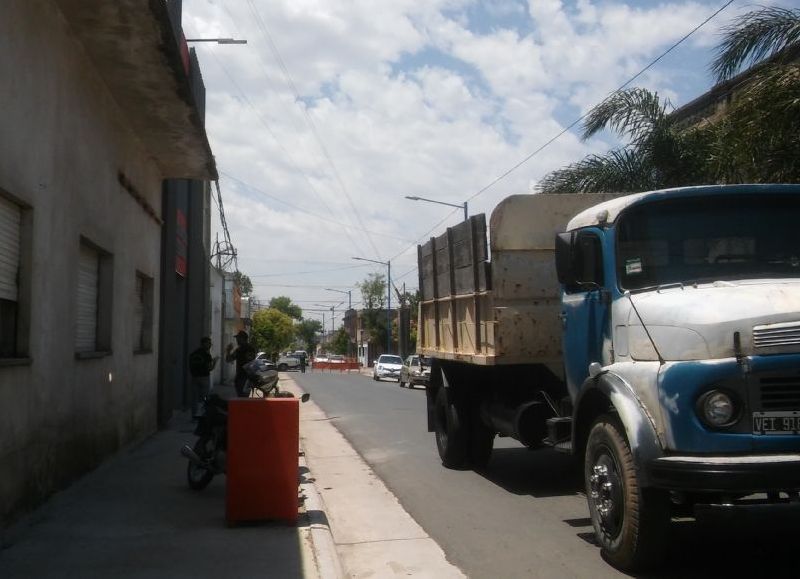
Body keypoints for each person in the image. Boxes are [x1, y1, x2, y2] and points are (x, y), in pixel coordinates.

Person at [189, 337, 218, 417]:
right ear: (204, 343)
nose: (210, 345)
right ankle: (203, 414)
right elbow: (210, 368)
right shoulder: (206, 355)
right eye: (208, 343)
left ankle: (194, 415)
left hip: (194, 378)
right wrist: (215, 362)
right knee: (205, 397)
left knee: (194, 398)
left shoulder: (193, 354)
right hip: (204, 378)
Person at [226, 330, 256, 397]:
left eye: (238, 338)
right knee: (243, 397)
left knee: (242, 397)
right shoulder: (245, 349)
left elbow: (229, 359)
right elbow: (229, 360)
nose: (237, 340)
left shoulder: (242, 349)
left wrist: (228, 351)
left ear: (242, 338)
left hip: (243, 377)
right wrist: (228, 351)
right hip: (244, 377)